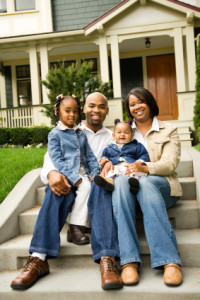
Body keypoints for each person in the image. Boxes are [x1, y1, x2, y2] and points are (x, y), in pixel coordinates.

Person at [11, 92, 123, 291]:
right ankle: (39, 258)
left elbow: (121, 159)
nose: (96, 110)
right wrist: (52, 173)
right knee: (56, 190)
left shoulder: (113, 136)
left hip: (94, 184)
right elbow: (51, 158)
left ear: (107, 111)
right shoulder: (70, 131)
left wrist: (108, 167)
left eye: (101, 106)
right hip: (71, 180)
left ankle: (107, 258)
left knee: (102, 186)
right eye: (91, 105)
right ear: (85, 109)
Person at [111, 87, 183, 287]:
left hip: (163, 186)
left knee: (146, 184)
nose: (136, 107)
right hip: (129, 188)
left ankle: (169, 261)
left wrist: (145, 167)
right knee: (121, 183)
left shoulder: (169, 130)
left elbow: (170, 164)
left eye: (140, 102)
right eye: (132, 104)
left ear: (150, 102)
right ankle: (129, 261)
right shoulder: (125, 131)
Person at [94, 119, 149, 193]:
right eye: (119, 132)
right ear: (114, 135)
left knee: (136, 173)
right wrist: (104, 160)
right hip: (116, 166)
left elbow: (144, 154)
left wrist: (139, 162)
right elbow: (104, 155)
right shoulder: (109, 147)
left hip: (130, 166)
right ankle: (109, 182)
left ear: (132, 135)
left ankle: (134, 183)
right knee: (110, 172)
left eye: (126, 132)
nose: (122, 134)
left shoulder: (136, 145)